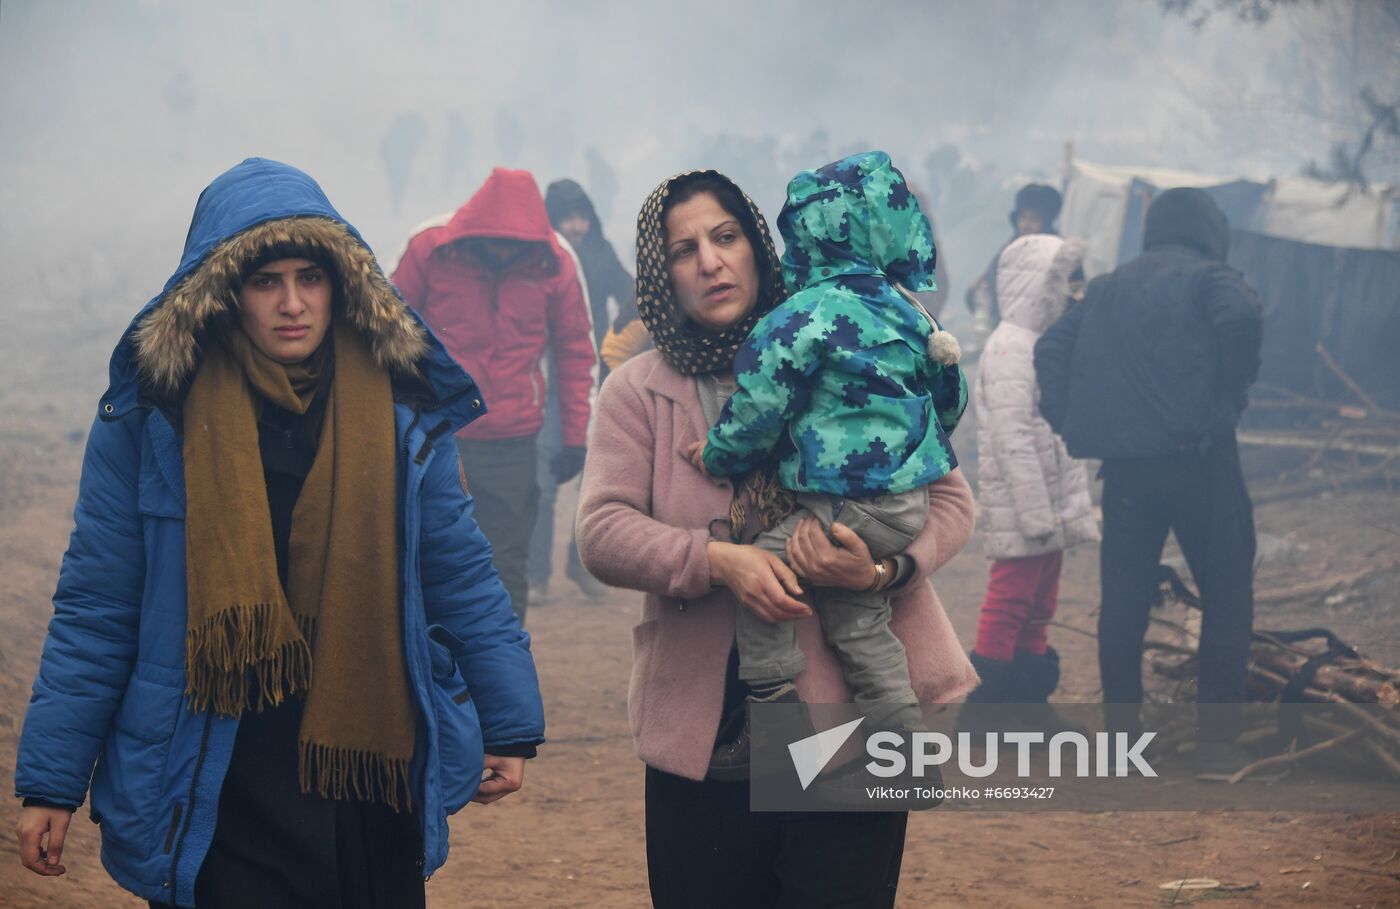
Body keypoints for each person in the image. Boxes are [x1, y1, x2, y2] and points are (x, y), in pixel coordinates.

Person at [13, 158, 546, 908]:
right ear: (224, 293)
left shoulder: (399, 413)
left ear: (341, 283)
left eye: (310, 277)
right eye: (266, 281)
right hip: (217, 772)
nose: (292, 303)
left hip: (364, 770)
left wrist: (509, 719)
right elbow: (98, 604)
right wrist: (52, 778)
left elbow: (459, 569)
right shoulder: (155, 420)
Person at [576, 168, 978, 908]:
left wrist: (883, 569)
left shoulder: (848, 339)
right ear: (663, 275)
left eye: (726, 236)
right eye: (684, 249)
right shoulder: (638, 390)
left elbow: (949, 497)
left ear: (760, 245)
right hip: (711, 729)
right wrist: (714, 559)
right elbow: (601, 531)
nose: (710, 261)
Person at [686, 152, 967, 774]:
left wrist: (716, 452)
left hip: (845, 504)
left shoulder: (802, 318)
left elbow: (759, 407)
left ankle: (773, 709)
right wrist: (912, 447)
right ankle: (906, 746)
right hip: (904, 508)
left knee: (763, 575)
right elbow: (950, 395)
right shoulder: (909, 311)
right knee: (860, 622)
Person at [1034, 187, 1263, 780]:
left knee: (1125, 602)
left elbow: (1051, 347)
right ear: (1210, 229)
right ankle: (1216, 749)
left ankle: (1123, 748)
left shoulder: (1109, 286)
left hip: (1130, 468)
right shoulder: (1213, 278)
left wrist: (1074, 424)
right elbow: (1240, 318)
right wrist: (1228, 398)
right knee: (1227, 595)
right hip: (1203, 465)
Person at [393, 167, 596, 621]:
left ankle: (502, 678)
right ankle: (434, 677)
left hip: (513, 445)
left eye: (516, 244)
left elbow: (575, 353)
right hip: (436, 437)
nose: (505, 250)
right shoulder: (430, 248)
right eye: (495, 241)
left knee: (505, 568)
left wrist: (576, 438)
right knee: (428, 561)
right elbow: (386, 334)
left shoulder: (555, 261)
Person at [962, 234, 1099, 727]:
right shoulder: (1009, 350)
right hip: (1026, 502)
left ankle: (1026, 704)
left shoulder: (1044, 342)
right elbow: (1012, 436)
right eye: (1065, 281)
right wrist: (1036, 511)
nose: (1074, 290)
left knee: (1040, 601)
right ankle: (986, 710)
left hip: (1049, 500)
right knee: (1010, 598)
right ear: (1038, 285)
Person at [526, 178, 637, 603]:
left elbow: (632, 296)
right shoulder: (539, 256)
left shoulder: (598, 251)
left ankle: (579, 563)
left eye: (581, 217)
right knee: (545, 478)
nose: (575, 226)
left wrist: (615, 343)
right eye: (566, 218)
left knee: (594, 476)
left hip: (594, 375)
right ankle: (535, 576)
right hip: (547, 377)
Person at [963, 182, 1062, 345]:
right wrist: (976, 291)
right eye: (1023, 218)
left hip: (1044, 338)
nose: (1027, 224)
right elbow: (989, 287)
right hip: (1006, 337)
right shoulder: (1007, 252)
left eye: (1034, 219)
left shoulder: (1060, 255)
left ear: (1046, 222)